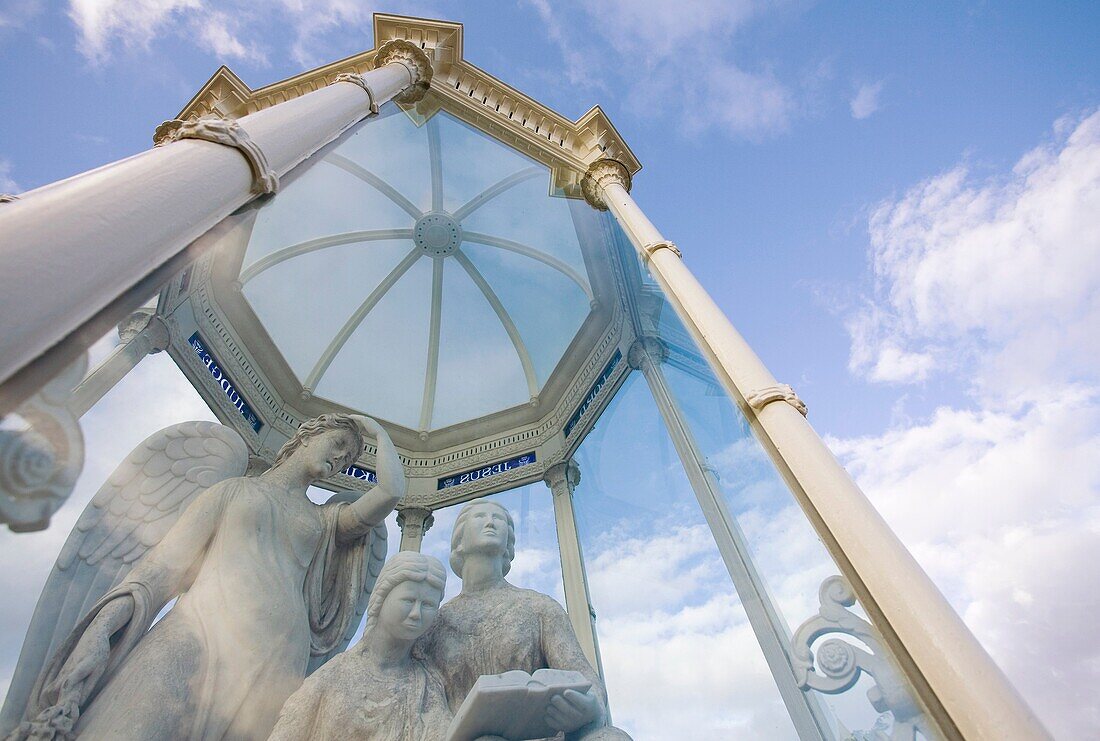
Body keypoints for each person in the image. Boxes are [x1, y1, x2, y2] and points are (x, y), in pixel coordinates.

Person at [14, 414, 403, 741]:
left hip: (276, 656)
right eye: (337, 443)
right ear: (305, 437)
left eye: (349, 457)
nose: (341, 457)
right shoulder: (232, 490)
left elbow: (389, 492)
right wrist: (103, 628)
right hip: (196, 630)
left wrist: (376, 433)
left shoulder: (325, 521)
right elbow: (164, 566)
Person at [415, 501, 633, 741]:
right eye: (479, 516)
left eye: (498, 519)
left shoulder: (538, 607)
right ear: (459, 540)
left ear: (509, 545)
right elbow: (417, 695)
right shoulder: (435, 623)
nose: (490, 522)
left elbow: (584, 677)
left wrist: (589, 706)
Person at [268, 551, 451, 741]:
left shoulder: (427, 688)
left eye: (428, 605)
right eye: (408, 600)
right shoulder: (333, 676)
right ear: (381, 598)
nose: (416, 613)